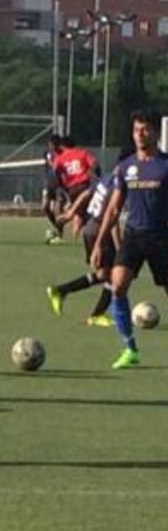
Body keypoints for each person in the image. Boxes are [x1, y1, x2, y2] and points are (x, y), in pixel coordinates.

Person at [90, 109, 168, 369]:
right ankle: (129, 348)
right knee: (118, 285)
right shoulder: (126, 167)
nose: (139, 134)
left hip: (161, 237)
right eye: (136, 130)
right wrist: (101, 242)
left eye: (145, 129)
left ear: (156, 133)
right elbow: (113, 208)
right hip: (133, 236)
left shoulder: (165, 165)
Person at [46, 166, 118, 325]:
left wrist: (71, 213)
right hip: (100, 230)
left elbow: (87, 194)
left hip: (90, 228)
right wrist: (119, 247)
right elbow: (112, 216)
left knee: (104, 274)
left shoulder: (107, 179)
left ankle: (61, 290)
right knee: (115, 274)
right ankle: (96, 315)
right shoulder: (119, 182)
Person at [51, 136, 100, 238]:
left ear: (63, 146)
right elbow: (95, 164)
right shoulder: (83, 153)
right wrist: (96, 175)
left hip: (72, 189)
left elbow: (55, 171)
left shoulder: (60, 158)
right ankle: (77, 235)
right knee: (83, 213)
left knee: (79, 213)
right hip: (85, 186)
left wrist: (61, 186)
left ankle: (73, 234)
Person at [41, 133, 66, 244]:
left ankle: (59, 234)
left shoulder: (63, 154)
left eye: (54, 144)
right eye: (51, 144)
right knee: (45, 207)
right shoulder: (47, 153)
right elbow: (47, 167)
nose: (52, 146)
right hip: (49, 184)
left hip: (60, 186)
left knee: (57, 210)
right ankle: (55, 226)